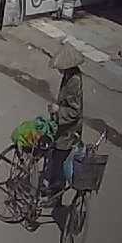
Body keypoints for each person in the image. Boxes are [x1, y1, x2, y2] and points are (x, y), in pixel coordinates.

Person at [43, 44, 85, 195]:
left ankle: (56, 194)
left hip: (69, 131)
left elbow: (75, 111)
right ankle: (53, 186)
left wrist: (58, 110)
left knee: (59, 161)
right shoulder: (68, 76)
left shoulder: (74, 81)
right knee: (54, 157)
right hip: (63, 127)